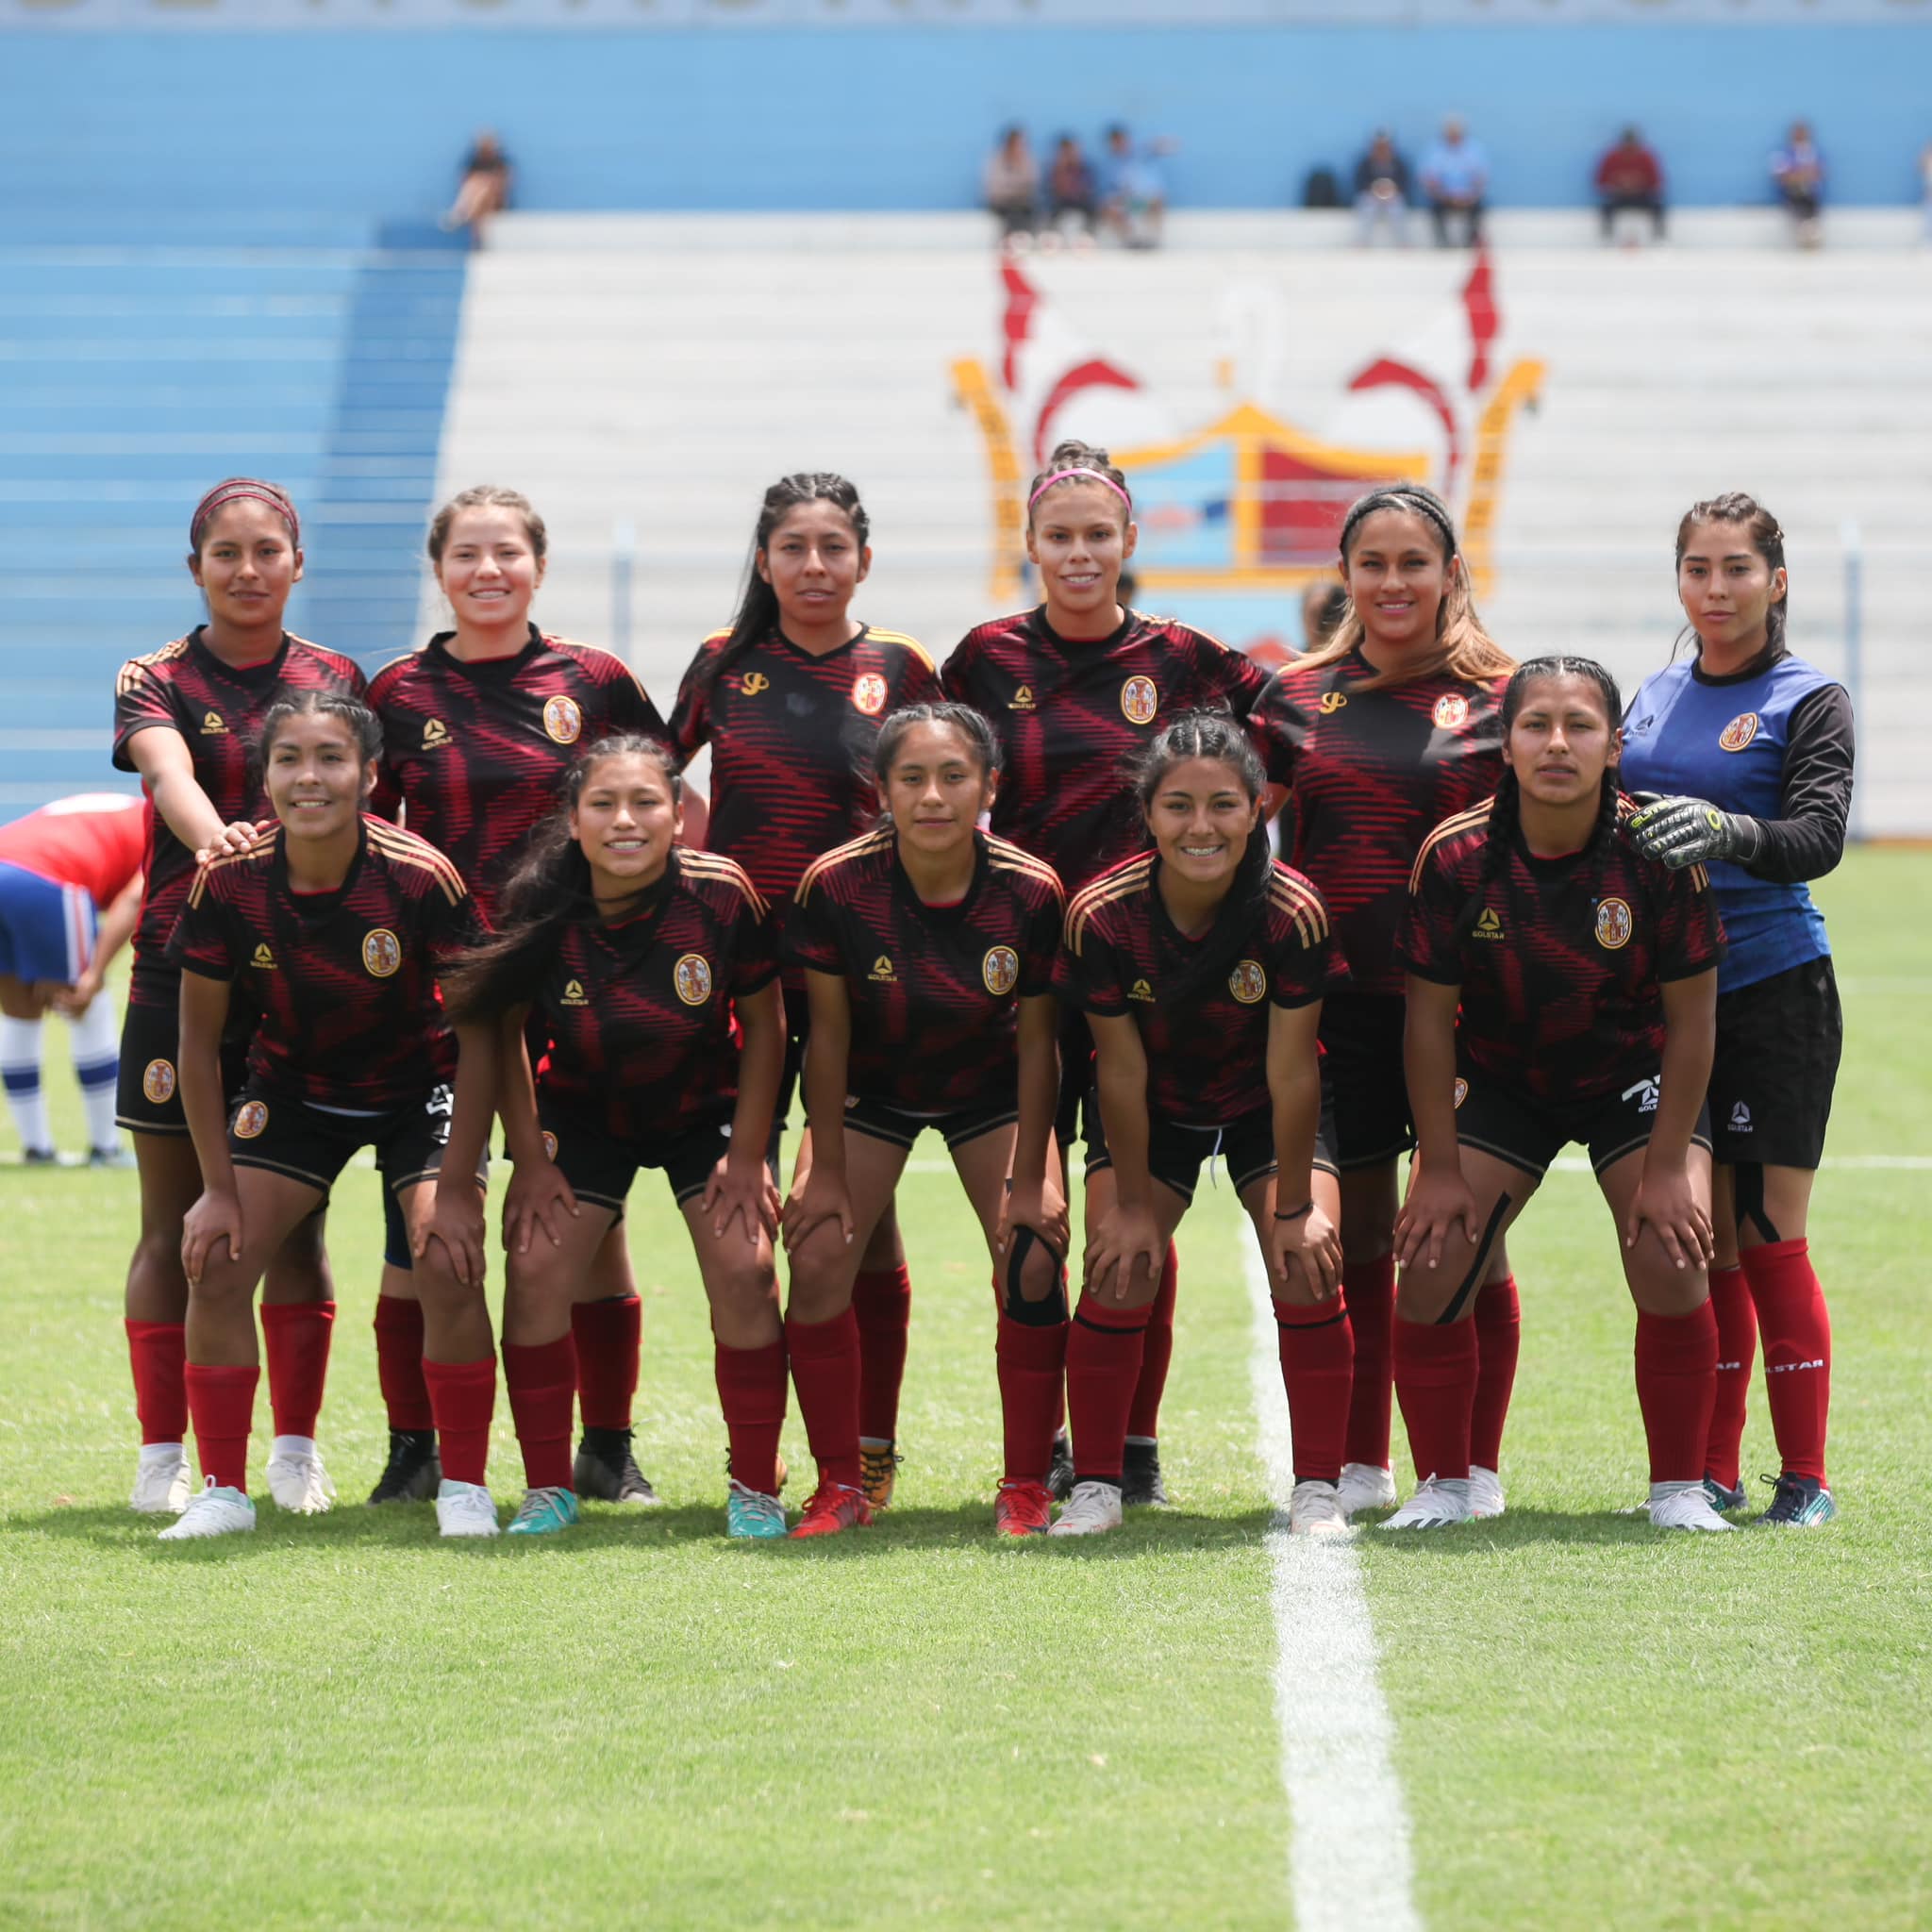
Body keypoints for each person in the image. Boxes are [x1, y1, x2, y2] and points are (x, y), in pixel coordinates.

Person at [941, 439, 1285, 1507]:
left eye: (1099, 534)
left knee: (1140, 1203)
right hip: (1033, 976)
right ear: (1031, 544)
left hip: (1161, 971)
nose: (1079, 552)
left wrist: (1239, 842)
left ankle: (1127, 1444)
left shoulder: (1183, 655)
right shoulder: (985, 659)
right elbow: (937, 774)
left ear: (1130, 540)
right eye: (1060, 536)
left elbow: (1293, 725)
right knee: (1041, 1222)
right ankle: (1048, 1442)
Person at [367, 485, 669, 1509]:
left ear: (538, 565)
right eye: (465, 554)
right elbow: (367, 833)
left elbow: (659, 804)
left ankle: (606, 1447)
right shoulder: (397, 690)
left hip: (576, 981)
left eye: (506, 552)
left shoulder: (594, 679)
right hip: (437, 990)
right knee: (416, 1220)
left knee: (587, 1216)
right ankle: (416, 1450)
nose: (486, 571)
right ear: (438, 568)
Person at [1391, 657, 1732, 1532]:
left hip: (1630, 1075)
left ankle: (1678, 1490)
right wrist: (1435, 1164)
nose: (1557, 743)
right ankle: (1447, 1483)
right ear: (1505, 744)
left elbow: (1694, 1023)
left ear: (1615, 746)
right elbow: (1427, 1023)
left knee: (1671, 1244)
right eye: (1536, 724)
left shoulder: (1658, 853)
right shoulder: (1457, 854)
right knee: (1431, 1261)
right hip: (1504, 1077)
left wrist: (1666, 1168)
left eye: (1579, 726)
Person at [160, 692, 497, 1541]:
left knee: (449, 1259)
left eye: (332, 759)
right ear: (266, 777)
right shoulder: (228, 881)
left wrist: (459, 1184)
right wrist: (215, 1190)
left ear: (370, 775)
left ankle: (465, 1490)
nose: (310, 777)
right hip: (296, 1089)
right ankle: (223, 1493)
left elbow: (484, 1037)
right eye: (289, 760)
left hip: (419, 1089)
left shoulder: (421, 877)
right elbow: (199, 1050)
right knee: (217, 1259)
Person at [671, 474, 941, 1511]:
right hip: (740, 980)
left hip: (871, 971)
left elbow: (943, 782)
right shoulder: (722, 662)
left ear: (862, 559)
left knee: (852, 1218)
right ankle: (767, 1461)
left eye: (835, 546)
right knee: (770, 1220)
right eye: (795, 547)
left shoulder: (901, 665)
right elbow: (653, 778)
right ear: (764, 560)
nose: (815, 565)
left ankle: (864, 1450)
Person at [440, 736, 790, 1538]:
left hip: (705, 1111)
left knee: (746, 1271)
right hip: (582, 1111)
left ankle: (755, 1487)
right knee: (531, 1269)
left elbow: (768, 1026)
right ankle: (546, 1487)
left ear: (677, 816)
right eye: (603, 804)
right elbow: (507, 1036)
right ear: (572, 819)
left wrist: (745, 1155)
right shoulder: (540, 903)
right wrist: (527, 1160)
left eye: (646, 803)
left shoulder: (722, 894)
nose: (624, 820)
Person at [1253, 485, 1516, 1522]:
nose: (1394, 581)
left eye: (1415, 562)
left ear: (1450, 571)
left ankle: (1472, 1466)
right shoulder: (1292, 696)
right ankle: (1360, 1461)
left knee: (1466, 1237)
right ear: (1345, 574)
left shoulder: (1502, 695)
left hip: (1466, 1007)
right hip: (1338, 1005)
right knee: (1357, 1235)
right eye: (1374, 562)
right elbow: (1231, 837)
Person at [112, 478, 359, 1520]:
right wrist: (212, 828)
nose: (248, 568)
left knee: (294, 1227)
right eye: (226, 552)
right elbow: (164, 767)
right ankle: (162, 1450)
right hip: (184, 962)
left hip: (302, 974)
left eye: (267, 550)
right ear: (196, 567)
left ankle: (294, 1450)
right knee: (176, 1223)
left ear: (297, 562)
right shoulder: (155, 675)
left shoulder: (337, 676)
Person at [1052, 711, 1349, 1537]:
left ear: (1258, 808)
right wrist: (1135, 1207)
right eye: (1178, 806)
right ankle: (1097, 1486)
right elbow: (1119, 1067)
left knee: (1309, 1261)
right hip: (1153, 1106)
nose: (1201, 826)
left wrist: (1293, 1205)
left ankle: (1318, 1487)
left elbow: (1292, 1071)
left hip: (1265, 1103)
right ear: (1146, 814)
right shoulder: (1101, 915)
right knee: (1117, 1264)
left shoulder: (1294, 911)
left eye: (1223, 804)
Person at [1621, 492, 1851, 1528]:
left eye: (1735, 569)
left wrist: (1728, 829)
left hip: (1770, 990)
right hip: (1666, 997)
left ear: (1776, 579)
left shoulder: (1809, 698)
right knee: (1697, 1241)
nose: (1714, 589)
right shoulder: (1656, 692)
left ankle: (1802, 1476)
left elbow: (1816, 837)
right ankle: (1708, 1471)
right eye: (1697, 569)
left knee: (1766, 1237)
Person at [783, 705, 1067, 1537]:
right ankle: (843, 1481)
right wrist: (825, 1165)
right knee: (817, 1248)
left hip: (994, 1095)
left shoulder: (1030, 886)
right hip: (873, 1093)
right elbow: (826, 1037)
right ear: (882, 788)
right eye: (912, 777)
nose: (934, 796)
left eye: (954, 777)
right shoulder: (834, 883)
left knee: (1034, 1257)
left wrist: (1028, 1180)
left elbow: (1041, 1046)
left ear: (989, 786)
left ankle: (1026, 1482)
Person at [0, 791, 145, 1165]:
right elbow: (133, 900)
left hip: (10, 863)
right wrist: (95, 972)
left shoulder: (121, 807)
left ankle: (37, 1148)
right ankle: (106, 1148)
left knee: (17, 1011)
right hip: (48, 879)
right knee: (84, 1003)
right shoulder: (165, 819)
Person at [1100, 124, 1174, 250]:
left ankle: (1152, 240)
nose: (1119, 144)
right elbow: (1110, 192)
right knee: (1108, 208)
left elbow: (1164, 146)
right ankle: (1131, 240)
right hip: (1126, 202)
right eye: (1115, 142)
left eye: (1121, 140)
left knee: (1158, 199)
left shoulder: (1141, 153)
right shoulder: (1109, 165)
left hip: (1146, 199)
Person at [1418, 116, 1488, 249]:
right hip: (1443, 196)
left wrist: (1471, 195)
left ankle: (1469, 243)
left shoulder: (1474, 150)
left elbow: (1481, 177)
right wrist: (1443, 195)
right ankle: (1444, 244)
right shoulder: (1435, 151)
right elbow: (1429, 178)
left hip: (1469, 196)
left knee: (1479, 209)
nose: (1454, 136)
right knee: (1435, 210)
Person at [1594, 126, 1666, 243]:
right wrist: (1617, 187)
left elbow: (1657, 182)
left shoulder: (1646, 158)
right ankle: (1607, 238)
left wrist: (1640, 186)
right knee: (1606, 208)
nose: (1629, 147)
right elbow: (1601, 181)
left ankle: (1659, 239)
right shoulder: (1612, 158)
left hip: (1641, 196)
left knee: (1658, 208)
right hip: (1619, 197)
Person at [441, 129, 512, 246]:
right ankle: (477, 240)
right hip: (477, 203)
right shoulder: (474, 162)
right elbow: (464, 182)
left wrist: (486, 182)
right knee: (477, 204)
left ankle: (459, 213)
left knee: (479, 184)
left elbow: (505, 185)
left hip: (494, 200)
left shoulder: (500, 163)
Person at [1353, 130, 1412, 247]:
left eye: (1385, 146)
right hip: (1371, 197)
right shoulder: (1365, 163)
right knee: (1366, 209)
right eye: (1379, 146)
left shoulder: (1398, 163)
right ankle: (1361, 242)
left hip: (1392, 197)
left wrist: (1391, 190)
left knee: (1398, 209)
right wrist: (1374, 190)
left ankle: (1403, 243)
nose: (1382, 149)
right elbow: (1359, 182)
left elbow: (1405, 182)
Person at [1770, 122, 1824, 247]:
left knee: (1809, 200)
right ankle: (1805, 230)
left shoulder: (1814, 153)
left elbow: (1819, 173)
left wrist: (1798, 174)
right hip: (1791, 194)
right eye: (1797, 133)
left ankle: (1810, 230)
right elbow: (1782, 177)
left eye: (1803, 133)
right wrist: (1802, 175)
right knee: (1797, 198)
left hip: (1810, 194)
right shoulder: (1783, 154)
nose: (1800, 136)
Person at [984, 125, 1040, 246]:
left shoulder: (1027, 160)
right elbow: (994, 188)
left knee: (1029, 211)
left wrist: (1018, 190)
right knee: (1011, 214)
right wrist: (1014, 190)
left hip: (1022, 201)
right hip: (1001, 202)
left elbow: (1032, 183)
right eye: (1017, 144)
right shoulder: (996, 161)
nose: (1020, 147)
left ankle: (1026, 242)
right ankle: (1008, 243)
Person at [1047, 134, 1100, 243]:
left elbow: (1086, 189)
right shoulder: (1056, 169)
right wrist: (1062, 168)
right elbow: (1059, 190)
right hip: (1062, 204)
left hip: (1082, 204)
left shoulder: (1085, 168)